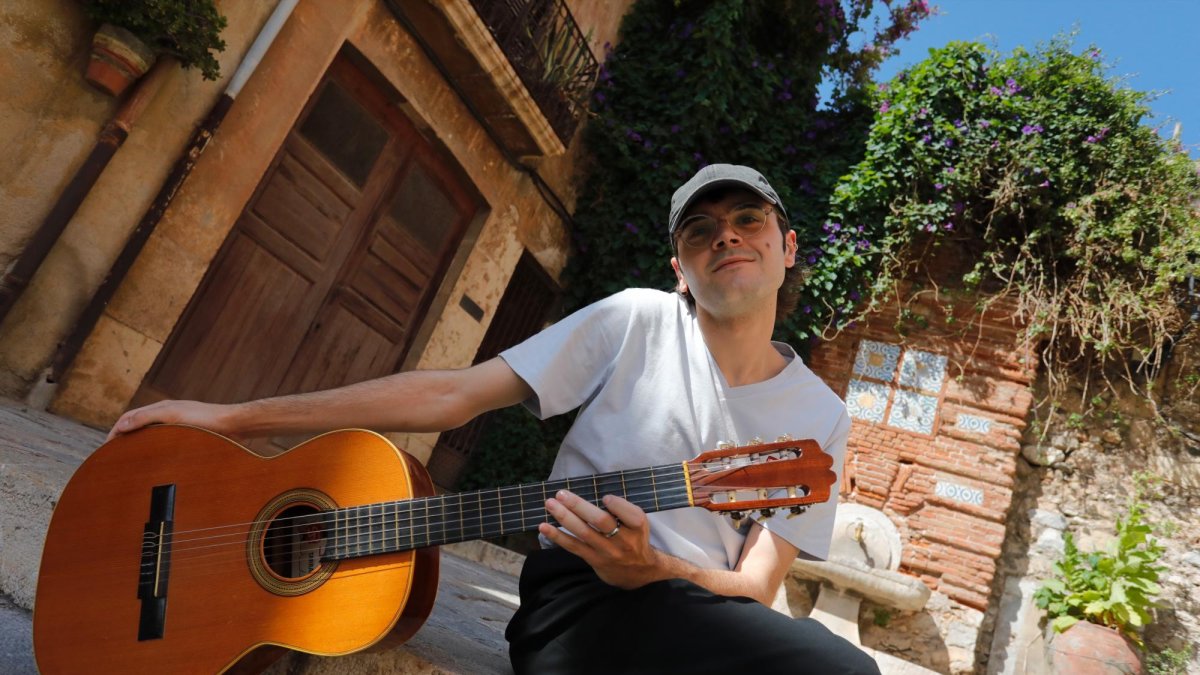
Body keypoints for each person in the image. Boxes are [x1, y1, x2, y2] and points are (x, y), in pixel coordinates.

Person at [110, 164, 880, 674]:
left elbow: (754, 587)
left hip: (694, 607)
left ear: (787, 246)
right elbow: (451, 396)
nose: (726, 236)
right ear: (679, 269)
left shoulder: (818, 417)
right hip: (577, 600)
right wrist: (231, 419)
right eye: (700, 230)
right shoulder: (636, 318)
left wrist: (657, 568)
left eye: (747, 218)